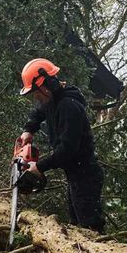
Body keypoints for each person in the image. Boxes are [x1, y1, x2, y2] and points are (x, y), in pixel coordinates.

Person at [17, 58, 106, 234]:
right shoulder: (52, 100)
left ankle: (102, 250)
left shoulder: (69, 107)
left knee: (90, 226)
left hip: (85, 174)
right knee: (77, 224)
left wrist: (39, 167)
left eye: (36, 92)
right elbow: (38, 113)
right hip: (75, 173)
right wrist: (29, 130)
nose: (36, 97)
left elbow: (67, 150)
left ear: (46, 86)